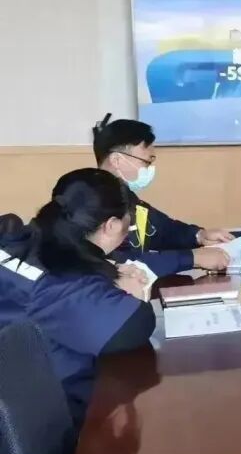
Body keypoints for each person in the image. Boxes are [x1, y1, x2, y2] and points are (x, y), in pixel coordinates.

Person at [0, 169, 156, 424]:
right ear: (111, 226)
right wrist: (128, 291)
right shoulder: (61, 289)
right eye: (126, 229)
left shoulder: (15, 236)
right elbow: (135, 324)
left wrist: (106, 273)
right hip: (51, 424)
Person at [93, 114, 230, 274]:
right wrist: (192, 258)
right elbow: (121, 264)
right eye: (146, 162)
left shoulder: (126, 197)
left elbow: (162, 229)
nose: (149, 169)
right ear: (117, 160)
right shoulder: (93, 204)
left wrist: (199, 235)